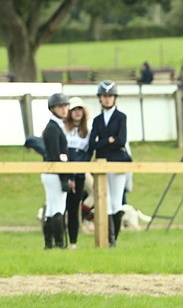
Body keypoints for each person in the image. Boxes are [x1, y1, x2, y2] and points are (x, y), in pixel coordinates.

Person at [89, 80, 132, 247]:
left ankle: (114, 239)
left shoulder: (121, 117)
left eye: (110, 96)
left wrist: (103, 142)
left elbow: (121, 140)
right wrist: (109, 140)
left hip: (118, 162)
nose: (107, 99)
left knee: (116, 201)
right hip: (102, 163)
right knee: (104, 201)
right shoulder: (97, 120)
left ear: (115, 98)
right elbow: (92, 144)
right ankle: (108, 238)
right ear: (100, 98)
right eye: (104, 96)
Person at [41, 93, 75, 250]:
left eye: (65, 106)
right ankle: (60, 243)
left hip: (50, 172)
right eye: (60, 106)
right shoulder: (53, 129)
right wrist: (65, 177)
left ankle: (49, 243)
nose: (64, 109)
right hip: (55, 172)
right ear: (52, 108)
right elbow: (56, 155)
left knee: (51, 208)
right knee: (58, 208)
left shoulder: (54, 126)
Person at [63, 97, 91, 248]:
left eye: (80, 109)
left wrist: (78, 170)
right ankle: (60, 240)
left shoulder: (87, 131)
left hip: (80, 174)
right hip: (64, 173)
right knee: (62, 207)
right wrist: (69, 174)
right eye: (74, 109)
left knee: (74, 208)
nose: (77, 112)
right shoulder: (63, 128)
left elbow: (88, 152)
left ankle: (73, 242)